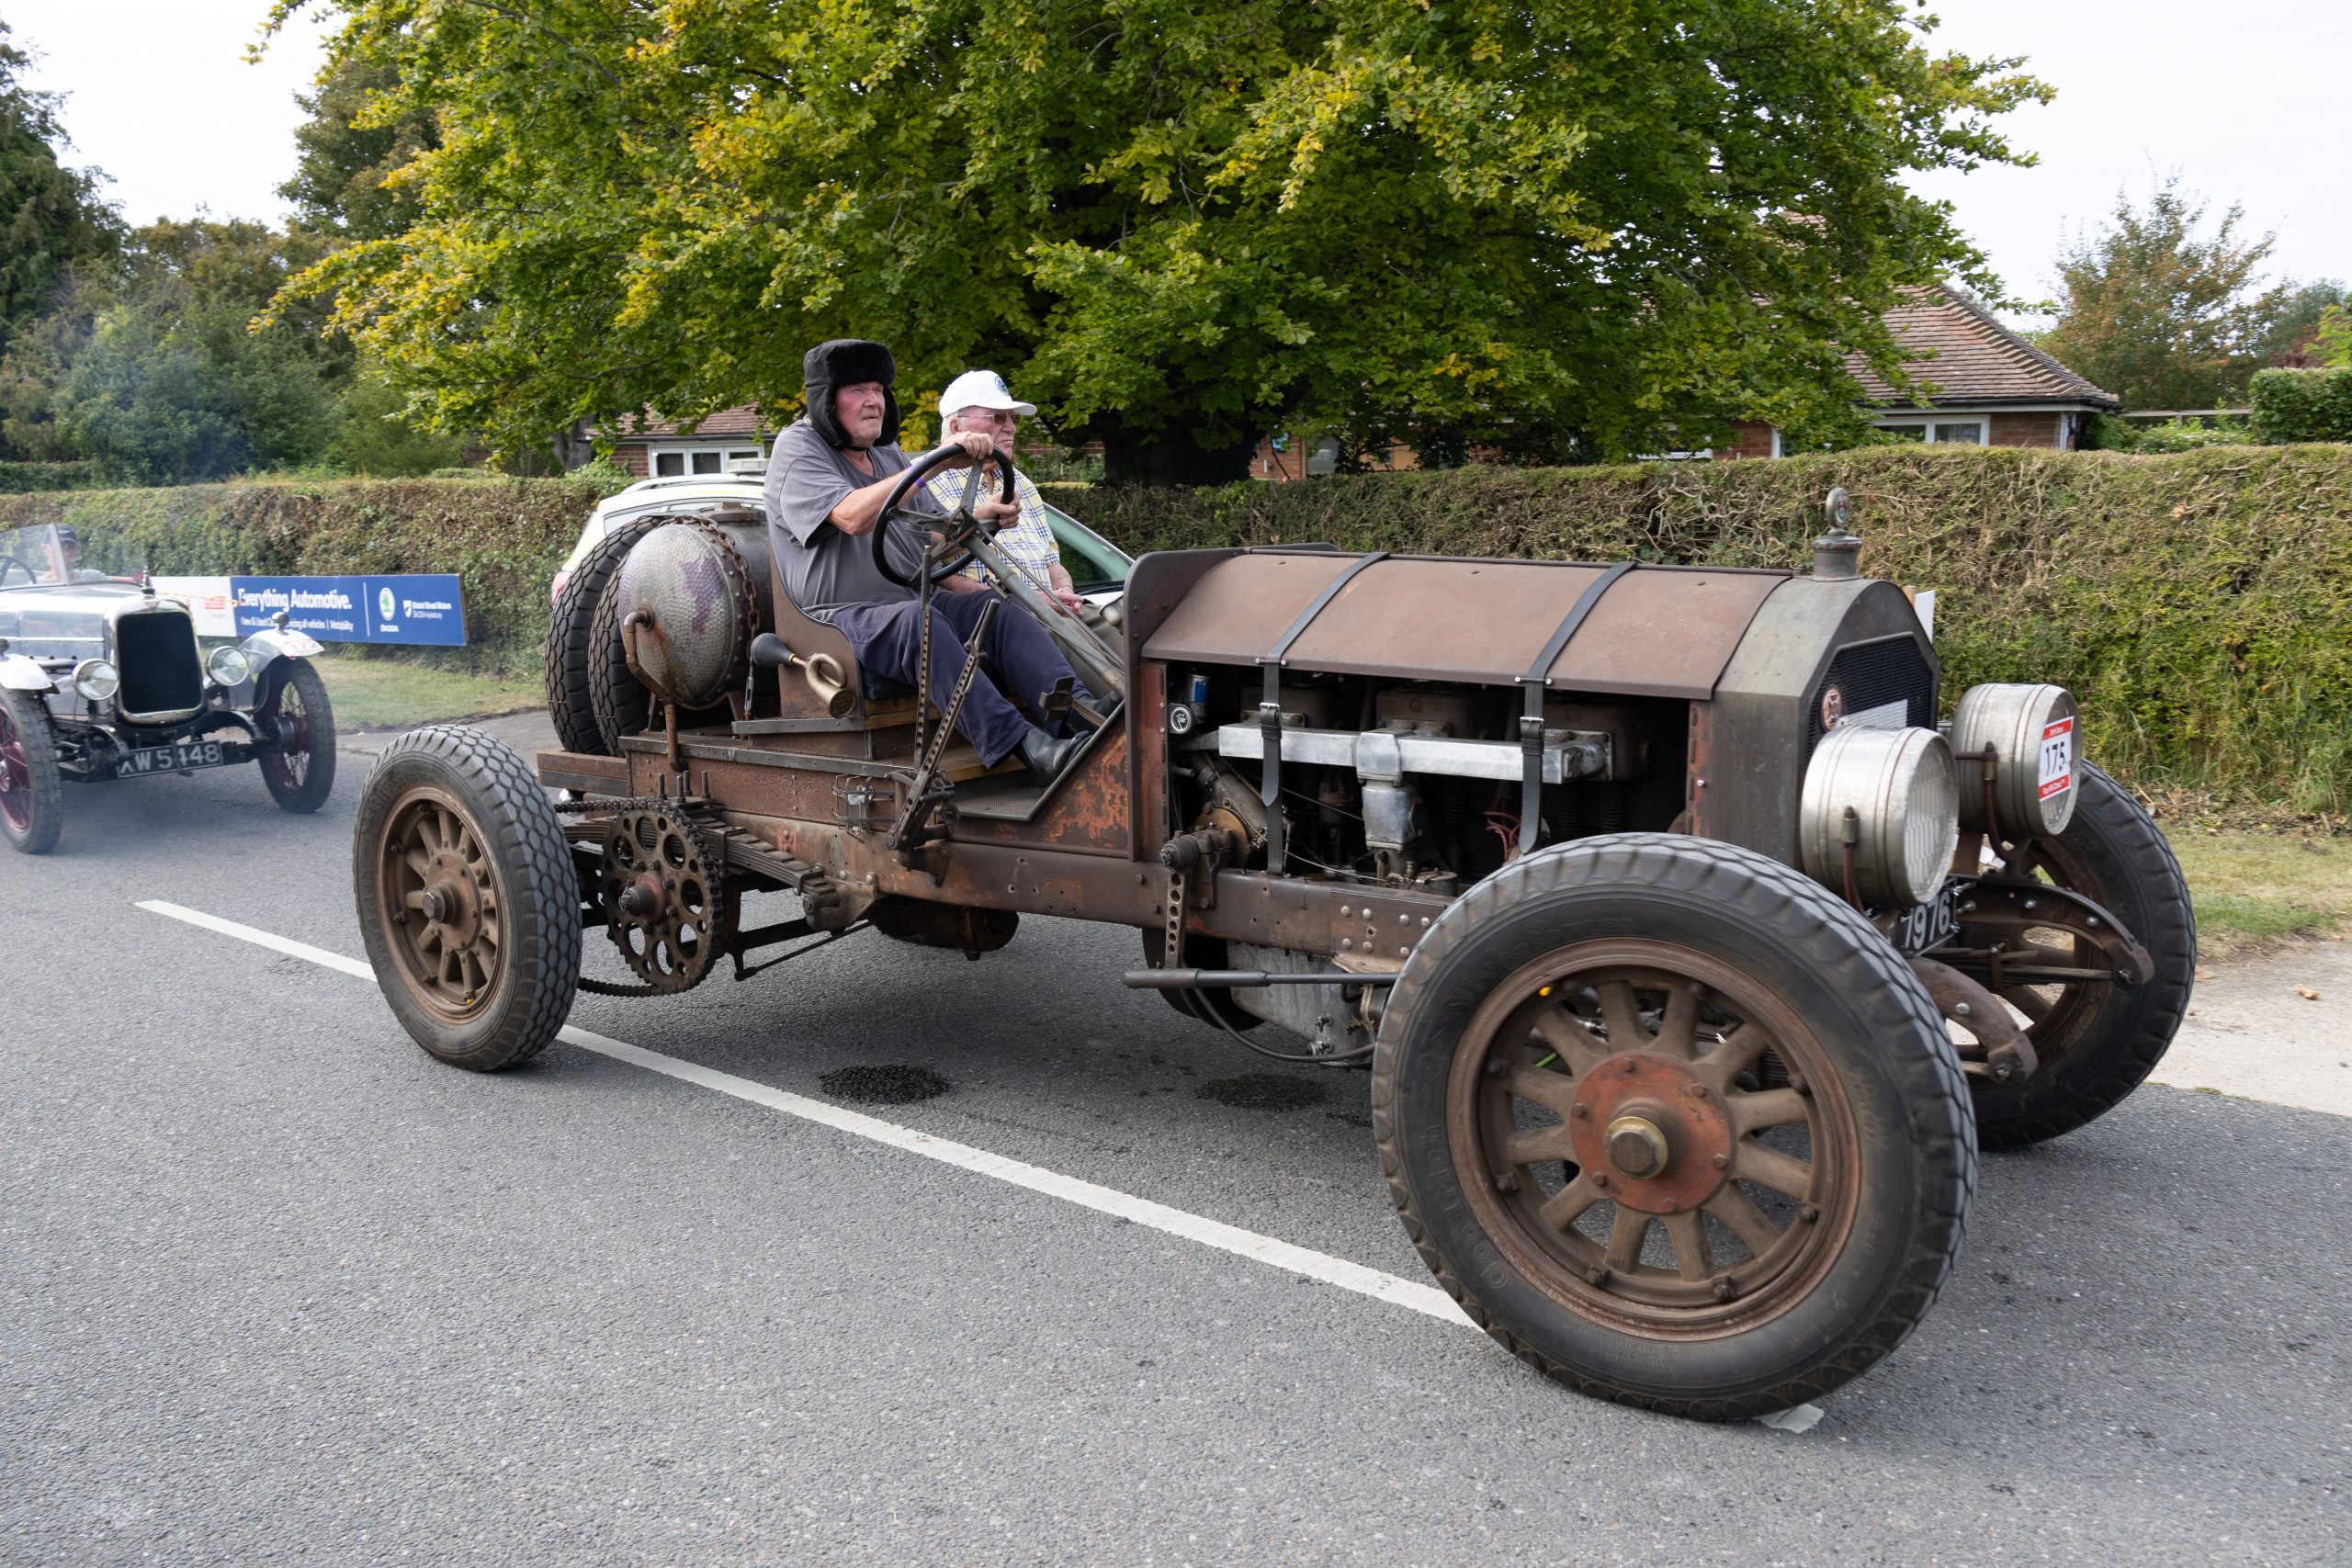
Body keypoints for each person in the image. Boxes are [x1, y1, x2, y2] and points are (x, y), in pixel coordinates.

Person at [763, 339, 1098, 782]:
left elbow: (940, 539)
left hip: (906, 603)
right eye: (857, 391)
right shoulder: (798, 447)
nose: (873, 403)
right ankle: (1028, 746)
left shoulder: (885, 455)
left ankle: (1085, 717)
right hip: (837, 619)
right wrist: (937, 465)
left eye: (879, 391)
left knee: (995, 609)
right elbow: (851, 516)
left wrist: (983, 520)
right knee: (918, 621)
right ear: (826, 401)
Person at [922, 370, 1087, 615]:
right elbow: (928, 571)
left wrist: (1064, 594)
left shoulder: (1021, 483)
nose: (1011, 428)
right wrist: (1025, 601)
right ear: (957, 426)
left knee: (1126, 633)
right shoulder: (922, 478)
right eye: (998, 418)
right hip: (988, 621)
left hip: (1053, 615)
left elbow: (1052, 562)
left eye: (1012, 419)